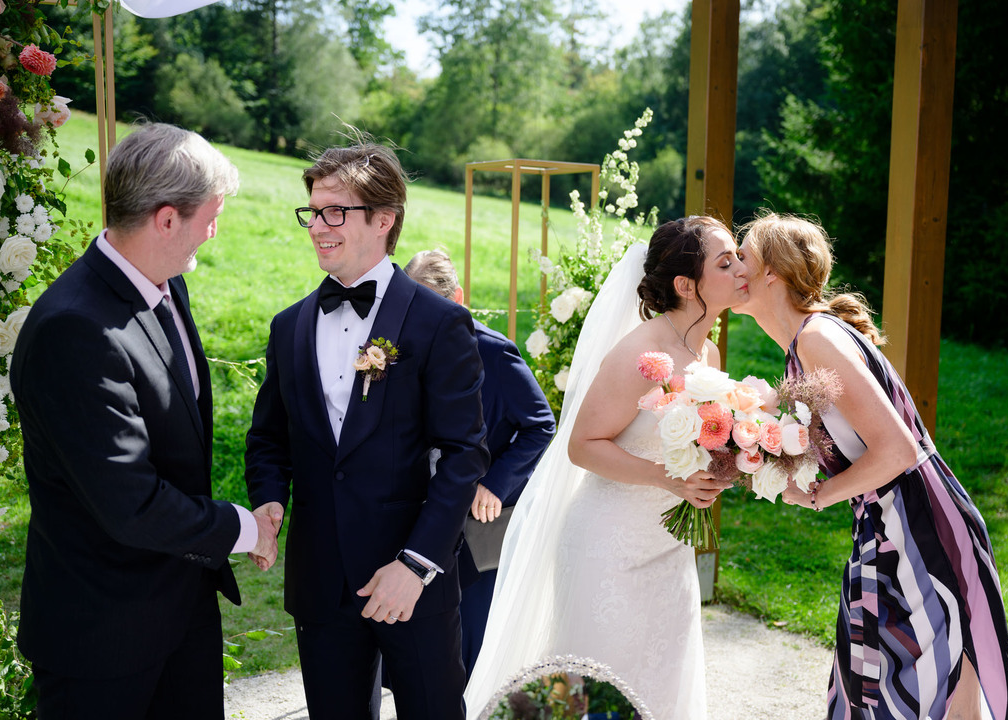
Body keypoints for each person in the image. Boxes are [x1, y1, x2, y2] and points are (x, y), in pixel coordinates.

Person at [11, 122, 279, 720]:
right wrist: (242, 529)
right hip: (104, 641)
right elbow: (129, 501)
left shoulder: (164, 285)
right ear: (165, 219)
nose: (214, 232)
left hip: (179, 617)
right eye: (211, 217)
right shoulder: (74, 330)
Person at [732, 211, 1008, 720]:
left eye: (743, 258)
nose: (735, 269)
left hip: (920, 533)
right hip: (887, 527)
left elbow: (898, 450)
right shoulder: (803, 346)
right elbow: (863, 449)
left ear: (771, 272)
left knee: (928, 693)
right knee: (879, 687)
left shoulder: (817, 339)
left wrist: (822, 494)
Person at [245, 132, 490, 720]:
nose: (317, 226)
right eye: (313, 211)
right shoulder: (289, 326)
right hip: (322, 584)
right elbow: (268, 437)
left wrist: (415, 566)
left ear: (384, 219)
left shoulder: (439, 322)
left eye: (336, 211)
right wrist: (269, 501)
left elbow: (464, 455)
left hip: (413, 582)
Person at [464, 217, 746, 719]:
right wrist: (667, 477)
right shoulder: (641, 352)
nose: (742, 268)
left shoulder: (707, 350)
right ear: (686, 285)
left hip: (667, 546)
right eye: (726, 262)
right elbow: (582, 446)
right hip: (608, 548)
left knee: (662, 683)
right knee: (598, 693)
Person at [404, 249, 556, 676]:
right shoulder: (404, 351)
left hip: (479, 524)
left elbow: (541, 424)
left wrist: (495, 483)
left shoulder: (493, 352)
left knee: (473, 637)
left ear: (458, 297)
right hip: (421, 514)